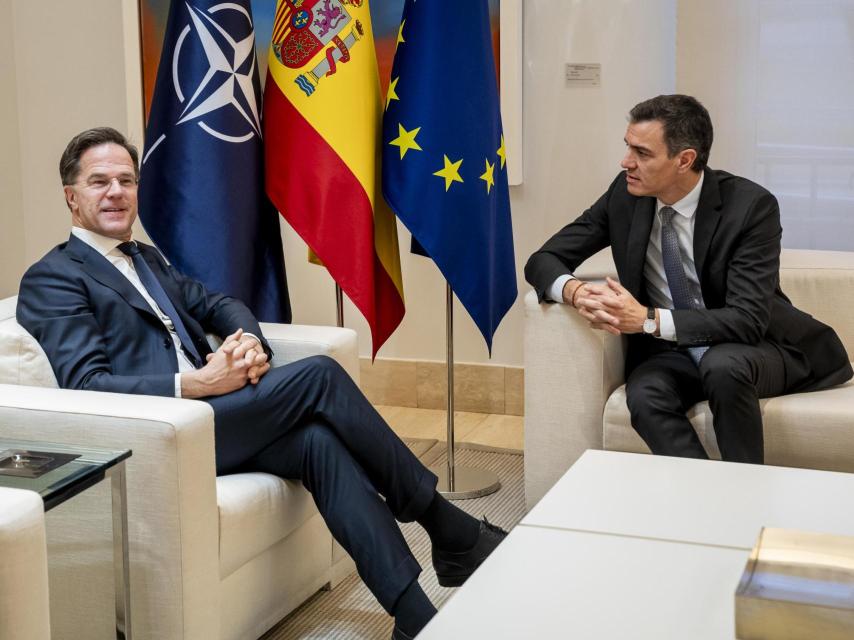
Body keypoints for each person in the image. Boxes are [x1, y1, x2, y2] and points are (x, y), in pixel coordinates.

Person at [17, 127, 507, 640]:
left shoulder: (146, 258)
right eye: (99, 182)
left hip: (218, 413)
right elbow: (88, 385)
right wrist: (197, 383)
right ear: (71, 197)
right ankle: (443, 523)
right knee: (319, 374)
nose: (116, 192)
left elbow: (218, 304)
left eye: (126, 180)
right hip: (161, 434)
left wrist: (248, 342)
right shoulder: (53, 277)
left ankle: (413, 616)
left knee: (318, 443)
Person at [525, 94, 852, 464]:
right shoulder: (625, 195)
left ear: (685, 160)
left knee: (723, 365)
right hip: (674, 352)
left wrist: (647, 320)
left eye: (642, 153)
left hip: (761, 346)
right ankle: (702, 497)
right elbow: (543, 259)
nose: (626, 162)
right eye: (628, 147)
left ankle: (747, 495)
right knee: (645, 394)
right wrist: (575, 291)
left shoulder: (750, 207)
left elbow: (747, 319)